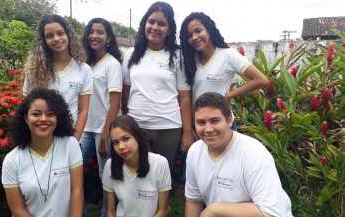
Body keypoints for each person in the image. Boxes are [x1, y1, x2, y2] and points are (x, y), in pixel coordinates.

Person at [185, 92, 293, 217]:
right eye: (201, 123)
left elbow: (271, 213)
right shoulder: (195, 151)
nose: (208, 129)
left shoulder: (253, 153)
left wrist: (213, 210)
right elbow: (194, 200)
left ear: (230, 120)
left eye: (214, 121)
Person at [122, 1, 193, 171]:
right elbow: (125, 91)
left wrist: (187, 132)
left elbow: (184, 97)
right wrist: (127, 119)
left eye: (161, 24)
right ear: (144, 24)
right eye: (151, 21)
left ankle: (162, 199)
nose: (155, 27)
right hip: (136, 126)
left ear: (169, 29)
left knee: (162, 175)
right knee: (137, 172)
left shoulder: (178, 56)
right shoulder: (130, 55)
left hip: (168, 127)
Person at [2, 88, 84, 217]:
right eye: (36, 114)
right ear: (26, 118)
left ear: (58, 118)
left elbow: (77, 190)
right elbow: (17, 210)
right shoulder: (12, 160)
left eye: (50, 114)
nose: (44, 119)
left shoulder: (70, 145)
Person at [179, 12, 268, 130]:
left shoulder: (228, 55)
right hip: (200, 125)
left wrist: (228, 95)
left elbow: (261, 80)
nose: (194, 37)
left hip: (223, 123)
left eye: (198, 30)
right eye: (189, 35)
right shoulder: (190, 61)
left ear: (209, 30)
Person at [23, 14, 93, 141]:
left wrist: (74, 141)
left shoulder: (83, 69)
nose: (56, 39)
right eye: (49, 36)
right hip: (39, 136)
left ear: (68, 35)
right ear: (44, 40)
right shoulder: (35, 69)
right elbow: (27, 105)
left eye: (60, 33)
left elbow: (83, 111)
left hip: (68, 135)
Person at [80, 17, 123, 217]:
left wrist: (106, 135)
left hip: (103, 129)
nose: (94, 36)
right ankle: (78, 210)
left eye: (100, 32)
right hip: (85, 128)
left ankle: (108, 213)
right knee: (73, 170)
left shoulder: (112, 64)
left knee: (105, 175)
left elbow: (115, 103)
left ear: (108, 38)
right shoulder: (87, 64)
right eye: (91, 31)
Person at [102, 115, 171, 217]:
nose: (121, 147)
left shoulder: (160, 163)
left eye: (126, 139)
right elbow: (110, 212)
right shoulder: (110, 165)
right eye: (115, 142)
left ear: (137, 137)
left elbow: (163, 210)